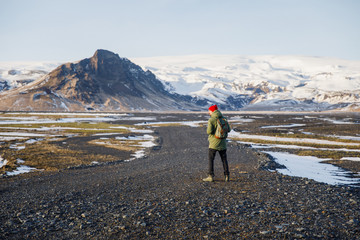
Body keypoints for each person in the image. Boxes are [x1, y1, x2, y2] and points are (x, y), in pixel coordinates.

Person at [203, 105, 230, 182]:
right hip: (223, 142)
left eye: (209, 111)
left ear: (212, 111)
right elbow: (229, 129)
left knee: (211, 159)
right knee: (224, 159)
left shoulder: (211, 120)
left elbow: (209, 131)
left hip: (214, 143)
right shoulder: (224, 118)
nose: (208, 112)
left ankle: (210, 176)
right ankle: (227, 176)